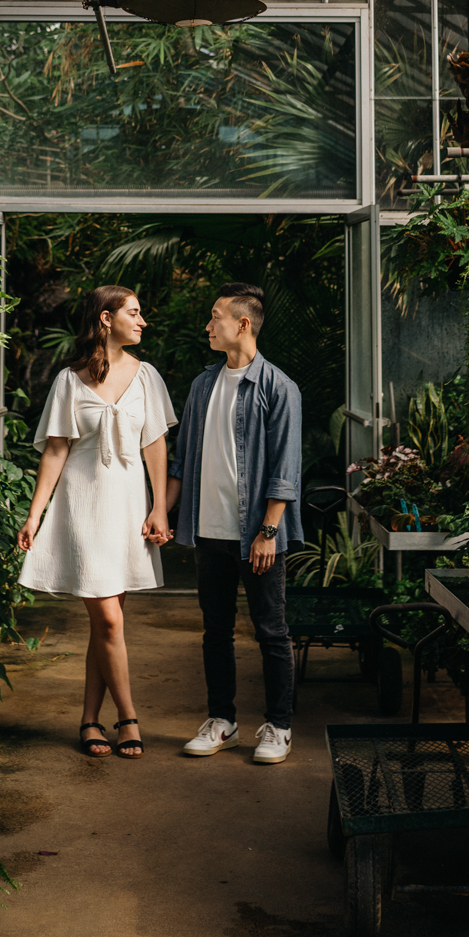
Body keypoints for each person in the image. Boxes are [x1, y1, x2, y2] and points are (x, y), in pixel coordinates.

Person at [17, 285, 175, 759]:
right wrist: (35, 514)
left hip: (127, 509)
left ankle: (89, 720)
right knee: (107, 618)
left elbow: (156, 446)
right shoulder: (69, 380)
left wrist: (159, 506)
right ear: (106, 319)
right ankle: (128, 718)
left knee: (106, 626)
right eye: (134, 312)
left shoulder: (147, 376)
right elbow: (56, 450)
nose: (142, 321)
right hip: (81, 507)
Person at [166, 282, 301, 764]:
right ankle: (222, 720)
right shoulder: (203, 384)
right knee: (215, 630)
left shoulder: (278, 387)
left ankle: (279, 727)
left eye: (215, 316)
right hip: (210, 532)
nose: (208, 325)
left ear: (243, 324)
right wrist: (163, 511)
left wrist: (268, 532)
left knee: (271, 631)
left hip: (258, 536)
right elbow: (181, 460)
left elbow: (286, 470)